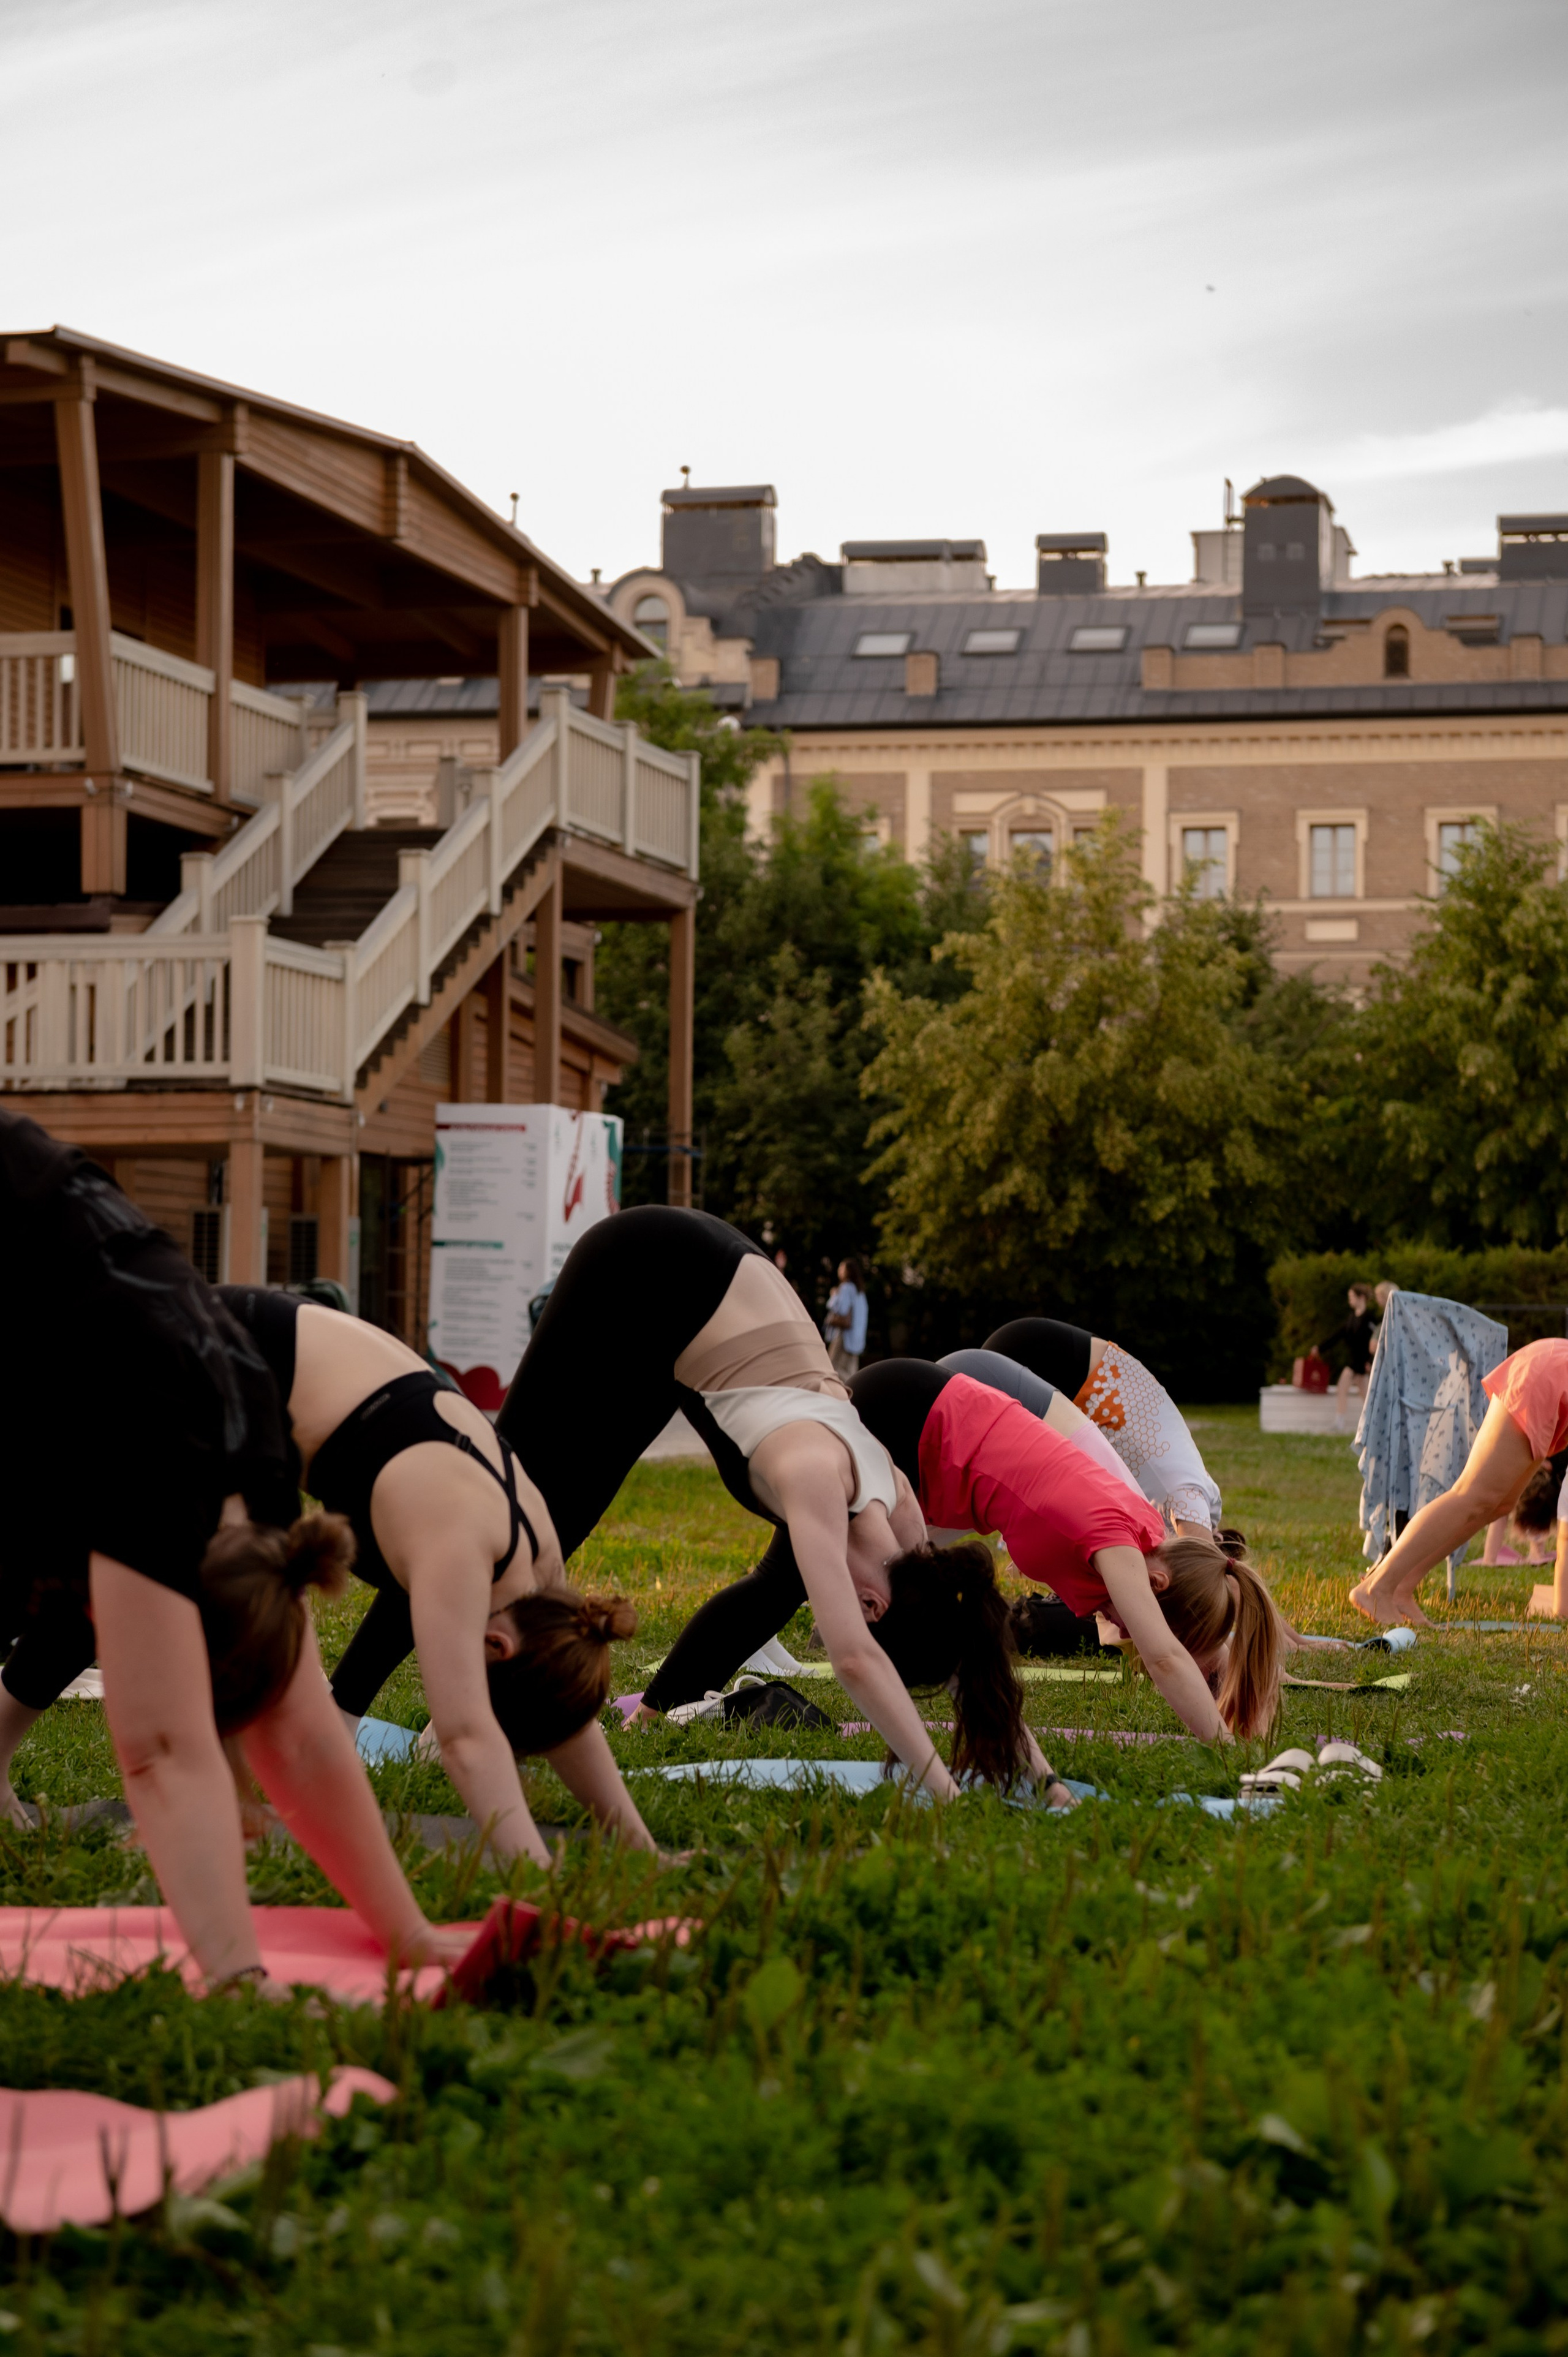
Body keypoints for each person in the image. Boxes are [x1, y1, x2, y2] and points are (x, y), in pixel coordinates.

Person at [0, 1112, 470, 1994]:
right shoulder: (155, 1465)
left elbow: (303, 1736)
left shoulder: (256, 1485)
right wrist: (237, 1980)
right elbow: (162, 1752)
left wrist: (405, 1929)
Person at [484, 1206, 1020, 1801]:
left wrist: (1039, 1775)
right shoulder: (820, 1477)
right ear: (870, 1604)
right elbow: (853, 1658)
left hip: (724, 1296)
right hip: (652, 1258)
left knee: (546, 1531)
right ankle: (379, 1707)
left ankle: (497, 1702)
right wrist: (941, 1789)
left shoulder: (899, 1512)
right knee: (500, 1506)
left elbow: (972, 1643)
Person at [213, 1285, 657, 1869]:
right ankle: (221, 1805)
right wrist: (539, 1881)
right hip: (211, 1349)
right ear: (497, 1646)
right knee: (201, 1610)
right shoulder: (462, 1548)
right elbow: (467, 1739)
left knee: (247, 1622)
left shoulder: (543, 1578)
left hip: (255, 1368)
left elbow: (567, 1708)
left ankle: (233, 1807)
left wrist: (641, 1848)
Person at [643, 1359, 1283, 1745]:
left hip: (930, 1429)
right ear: (1159, 1581)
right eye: (1141, 1617)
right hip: (910, 1418)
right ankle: (654, 1710)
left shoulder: (1154, 1541)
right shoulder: (1119, 1539)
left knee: (867, 1597)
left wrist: (1236, 1678)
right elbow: (1169, 1655)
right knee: (786, 1580)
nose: (1125, 1629)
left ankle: (660, 1705)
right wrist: (1222, 1750)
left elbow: (1196, 1626)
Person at [1349, 1335, 1568, 1626]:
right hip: (1550, 1376)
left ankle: (1401, 1588)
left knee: (1500, 1504)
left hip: (1554, 1378)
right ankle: (1376, 1588)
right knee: (1472, 1495)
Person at [981, 1318, 1223, 1533]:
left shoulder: (1198, 1505)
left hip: (1066, 1367)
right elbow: (1201, 1568)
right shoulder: (1186, 1502)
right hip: (1051, 1361)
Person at [1318, 1283, 1376, 1433]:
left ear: (1361, 1297)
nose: (1349, 1300)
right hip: (1354, 1362)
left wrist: (1370, 1361)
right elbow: (1337, 1335)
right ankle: (1345, 1422)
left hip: (1363, 1364)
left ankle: (1346, 1422)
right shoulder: (1351, 1319)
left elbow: (1377, 1341)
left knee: (1355, 1391)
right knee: (1360, 1394)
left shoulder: (1370, 1319)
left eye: (1352, 1297)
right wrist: (1320, 1348)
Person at [824, 1259, 869, 1378]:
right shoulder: (860, 1291)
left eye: (841, 1268)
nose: (839, 1270)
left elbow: (843, 1311)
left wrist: (834, 1296)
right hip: (857, 1340)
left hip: (844, 1337)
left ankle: (836, 1395)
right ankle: (851, 1395)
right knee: (852, 1372)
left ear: (848, 1271)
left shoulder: (846, 1288)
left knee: (832, 1369)